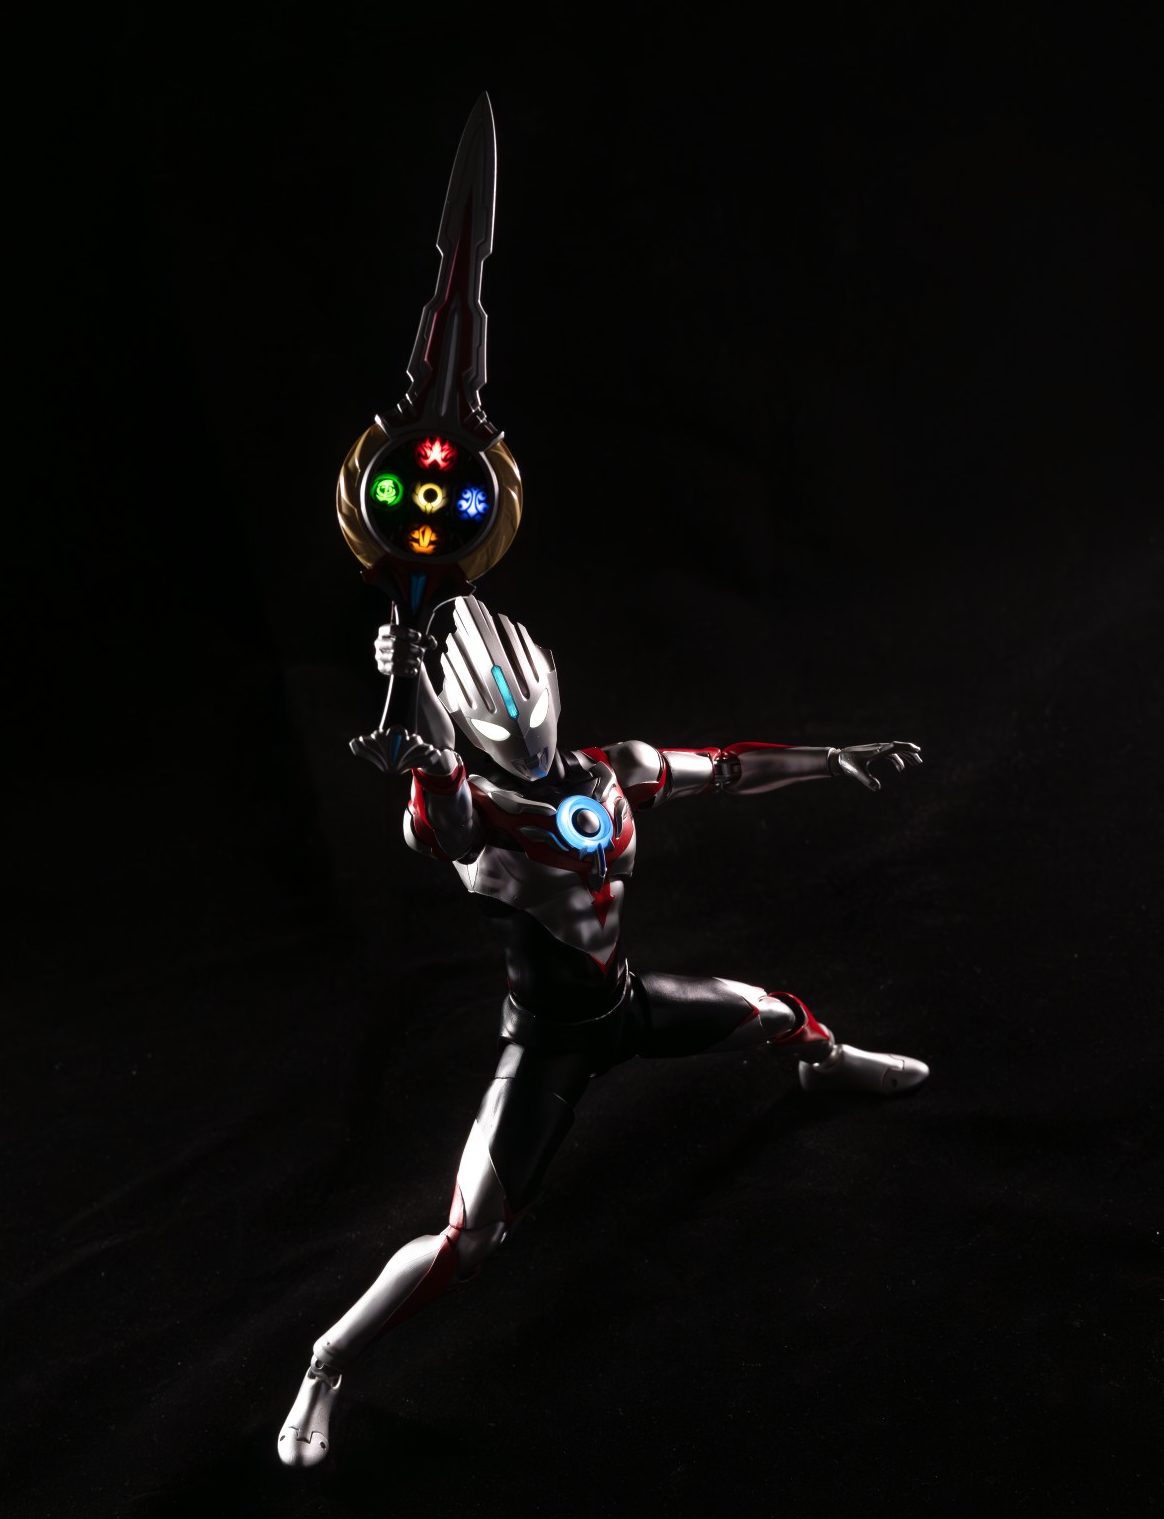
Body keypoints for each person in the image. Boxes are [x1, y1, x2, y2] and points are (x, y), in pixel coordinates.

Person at [278, 594, 927, 1465]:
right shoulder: (471, 811)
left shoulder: (615, 771)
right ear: (466, 727)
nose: (524, 737)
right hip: (547, 1046)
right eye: (494, 724)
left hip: (624, 1006)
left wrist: (832, 758)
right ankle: (326, 1363)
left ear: (550, 680)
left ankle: (828, 1063)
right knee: (470, 1239)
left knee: (778, 1013)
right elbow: (442, 805)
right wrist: (419, 727)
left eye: (529, 708)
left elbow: (726, 768)